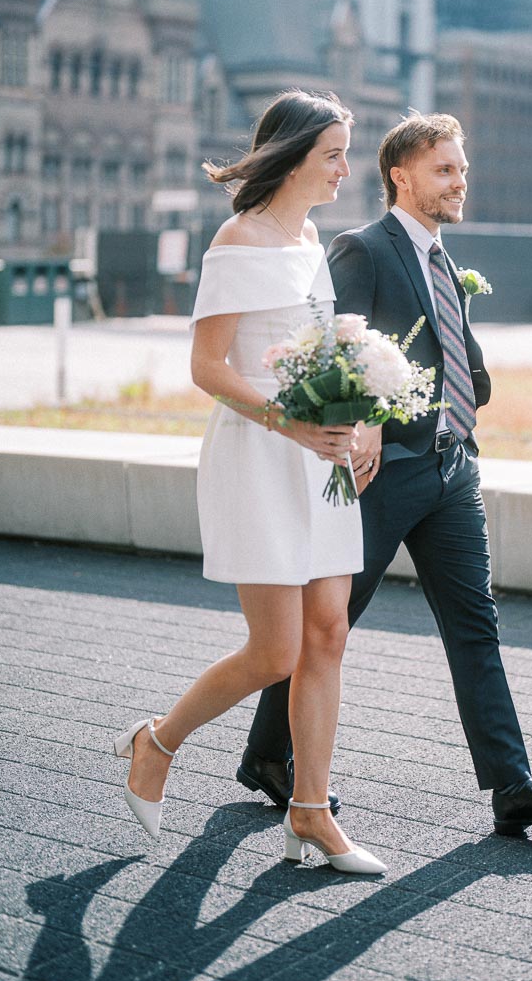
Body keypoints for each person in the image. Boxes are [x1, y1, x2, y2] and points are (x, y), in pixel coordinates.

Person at [237, 112, 532, 836]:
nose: (459, 180)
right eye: (444, 170)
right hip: (384, 474)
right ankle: (268, 755)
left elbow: (444, 346)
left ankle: (513, 785)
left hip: (451, 469)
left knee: (476, 627)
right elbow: (327, 342)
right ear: (401, 177)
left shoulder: (443, 258)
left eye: (461, 168)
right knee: (329, 628)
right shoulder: (364, 249)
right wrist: (366, 415)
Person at [113, 89, 385, 875]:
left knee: (328, 634)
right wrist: (293, 425)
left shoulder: (309, 237)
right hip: (262, 455)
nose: (343, 169)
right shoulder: (239, 238)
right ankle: (155, 741)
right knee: (275, 650)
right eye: (333, 153)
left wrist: (360, 419)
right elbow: (207, 366)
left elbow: (323, 354)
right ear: (294, 154)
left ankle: (312, 812)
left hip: (321, 459)